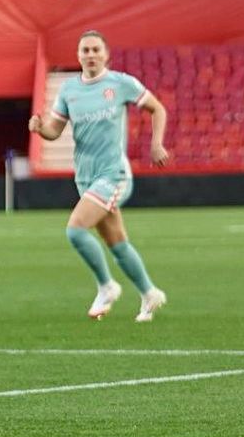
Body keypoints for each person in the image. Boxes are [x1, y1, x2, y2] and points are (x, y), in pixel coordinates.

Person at [29, 30, 170, 321]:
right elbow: (55, 131)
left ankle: (106, 286)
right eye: (85, 50)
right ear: (78, 55)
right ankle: (149, 293)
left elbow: (157, 108)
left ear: (106, 54)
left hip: (114, 175)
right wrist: (40, 128)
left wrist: (156, 143)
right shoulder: (69, 90)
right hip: (86, 177)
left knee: (76, 230)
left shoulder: (120, 83)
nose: (91, 55)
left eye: (95, 50)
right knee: (117, 243)